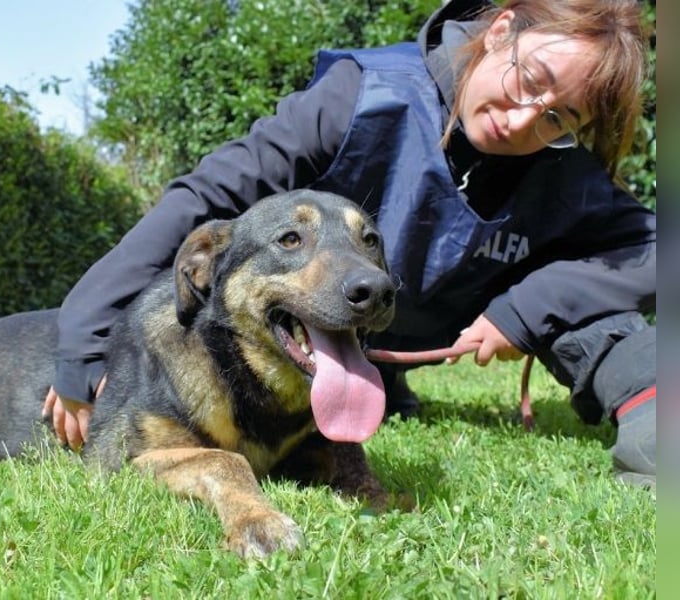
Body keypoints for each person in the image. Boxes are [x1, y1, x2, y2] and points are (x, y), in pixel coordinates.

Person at [42, 0, 656, 487]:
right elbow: (201, 204)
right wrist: (84, 340)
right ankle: (375, 390)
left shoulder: (566, 168)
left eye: (558, 118)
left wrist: (525, 309)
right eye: (529, 78)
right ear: (500, 31)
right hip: (327, 321)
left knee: (590, 294)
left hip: (438, 321)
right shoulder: (357, 98)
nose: (523, 120)